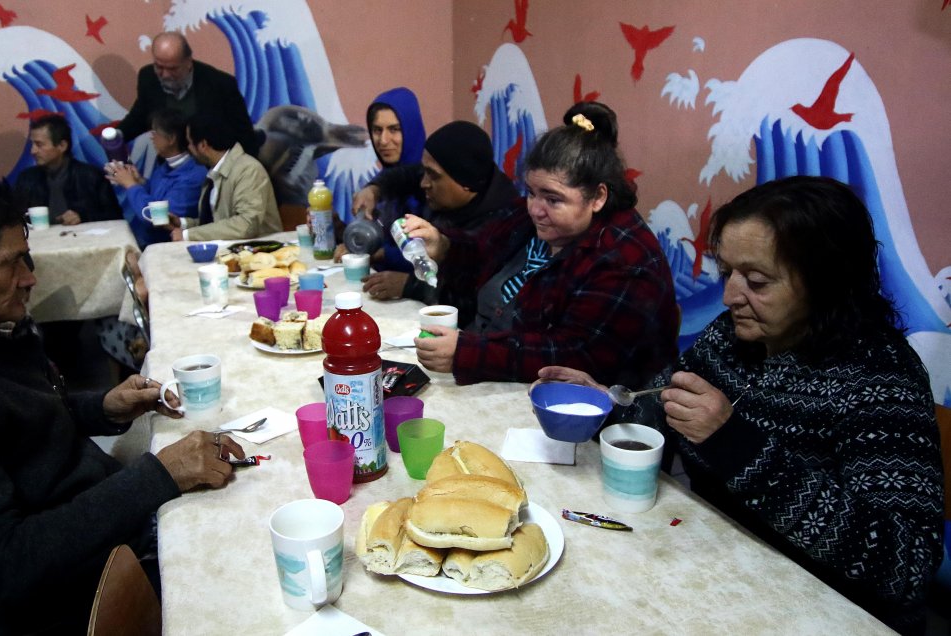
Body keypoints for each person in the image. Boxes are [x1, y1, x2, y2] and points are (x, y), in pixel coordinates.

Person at [0, 172, 246, 635]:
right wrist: (158, 477)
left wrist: (101, 408)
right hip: (70, 598)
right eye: (11, 264)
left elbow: (9, 428)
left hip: (96, 528)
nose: (29, 278)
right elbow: (1, 568)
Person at [537, 176, 944, 634]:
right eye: (726, 272)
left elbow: (907, 566)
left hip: (825, 611)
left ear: (826, 281)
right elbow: (655, 407)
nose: (731, 296)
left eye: (756, 280)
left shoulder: (879, 380)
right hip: (725, 571)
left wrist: (736, 444)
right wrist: (605, 402)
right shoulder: (731, 338)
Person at [403, 118, 678, 386]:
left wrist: (469, 352)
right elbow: (481, 250)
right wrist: (443, 246)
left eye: (553, 199)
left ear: (598, 197)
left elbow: (573, 354)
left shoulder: (624, 262)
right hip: (497, 377)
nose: (535, 208)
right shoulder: (531, 221)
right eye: (531, 192)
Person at [352, 121, 520, 304]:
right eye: (425, 172)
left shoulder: (503, 224)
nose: (424, 183)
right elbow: (406, 175)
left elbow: (475, 297)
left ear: (465, 183)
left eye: (433, 175)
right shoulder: (448, 181)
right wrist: (374, 189)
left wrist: (410, 285)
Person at [116, 31, 259, 156]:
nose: (165, 75)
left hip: (210, 164)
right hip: (171, 163)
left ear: (188, 62)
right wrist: (117, 136)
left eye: (172, 69)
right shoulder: (148, 77)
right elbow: (140, 116)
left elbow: (244, 135)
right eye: (159, 66)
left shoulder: (220, 85)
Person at [331, 87, 427, 271]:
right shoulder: (379, 182)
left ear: (411, 128)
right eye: (377, 130)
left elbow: (430, 256)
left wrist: (377, 254)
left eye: (394, 129)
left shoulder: (428, 184)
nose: (383, 140)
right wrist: (336, 228)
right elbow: (376, 239)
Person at [170, 107, 281, 241]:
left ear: (203, 145)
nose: (188, 148)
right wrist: (183, 224)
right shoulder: (215, 172)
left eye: (190, 143)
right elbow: (219, 225)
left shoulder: (248, 170)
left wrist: (188, 235)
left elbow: (245, 225)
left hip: (260, 255)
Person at [109, 108, 203, 249]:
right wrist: (139, 182)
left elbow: (159, 218)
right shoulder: (164, 167)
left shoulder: (194, 176)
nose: (151, 137)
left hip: (172, 248)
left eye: (155, 133)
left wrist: (130, 185)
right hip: (151, 243)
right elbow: (156, 198)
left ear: (171, 139)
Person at [13, 114, 121, 225]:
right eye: (32, 144)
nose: (33, 151)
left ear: (62, 146)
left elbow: (115, 217)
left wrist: (83, 217)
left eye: (39, 144)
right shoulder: (27, 179)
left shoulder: (91, 176)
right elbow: (15, 219)